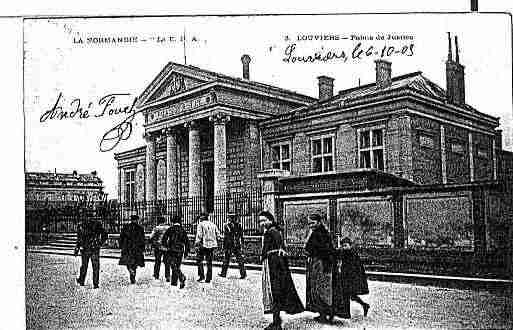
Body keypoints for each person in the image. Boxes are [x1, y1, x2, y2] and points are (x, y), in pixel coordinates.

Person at [259, 210, 304, 330]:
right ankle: (276, 319)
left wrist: (276, 252)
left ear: (271, 220)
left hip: (273, 264)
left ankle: (276, 323)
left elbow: (280, 247)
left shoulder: (272, 231)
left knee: (275, 291)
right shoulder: (271, 231)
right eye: (260, 221)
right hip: (272, 263)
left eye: (264, 220)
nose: (262, 223)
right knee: (274, 291)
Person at [304, 213, 349, 323]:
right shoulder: (318, 232)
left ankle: (324, 314)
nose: (311, 225)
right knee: (320, 289)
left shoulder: (320, 234)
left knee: (322, 290)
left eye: (313, 223)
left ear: (319, 222)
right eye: (309, 223)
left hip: (322, 264)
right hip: (319, 263)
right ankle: (324, 313)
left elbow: (320, 249)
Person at [74, 211, 108, 289]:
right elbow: (105, 235)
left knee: (85, 265)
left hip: (87, 248)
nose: (88, 218)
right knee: (94, 266)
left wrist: (77, 248)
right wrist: (99, 243)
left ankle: (82, 280)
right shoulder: (95, 224)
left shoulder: (82, 225)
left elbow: (79, 238)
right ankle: (94, 283)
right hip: (93, 248)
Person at [338, 237, 370, 317]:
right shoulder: (345, 253)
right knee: (350, 295)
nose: (344, 247)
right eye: (343, 246)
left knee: (347, 294)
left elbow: (355, 268)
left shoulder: (352, 254)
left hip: (352, 278)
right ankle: (364, 305)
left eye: (346, 245)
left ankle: (347, 313)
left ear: (350, 245)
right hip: (346, 277)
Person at [161, 215, 190, 288]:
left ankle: (180, 277)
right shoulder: (182, 230)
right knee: (177, 265)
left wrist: (166, 246)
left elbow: (164, 239)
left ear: (173, 221)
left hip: (172, 250)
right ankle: (175, 281)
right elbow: (187, 242)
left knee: (172, 265)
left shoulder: (170, 229)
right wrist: (186, 252)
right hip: (180, 250)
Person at [119, 214, 146, 284]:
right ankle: (132, 277)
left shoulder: (126, 227)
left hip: (127, 247)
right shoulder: (140, 228)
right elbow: (142, 239)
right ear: (137, 220)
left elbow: (121, 237)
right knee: (135, 263)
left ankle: (130, 271)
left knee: (128, 262)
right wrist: (143, 248)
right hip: (136, 248)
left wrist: (121, 246)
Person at [219, 213, 247, 279]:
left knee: (226, 259)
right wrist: (242, 244)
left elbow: (226, 237)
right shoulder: (238, 225)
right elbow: (241, 236)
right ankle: (243, 274)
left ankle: (223, 273)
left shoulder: (227, 225)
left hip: (229, 245)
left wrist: (224, 246)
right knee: (239, 259)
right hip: (236, 244)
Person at [194, 213, 220, 283]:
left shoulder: (201, 224)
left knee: (199, 260)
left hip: (203, 244)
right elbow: (218, 235)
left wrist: (196, 244)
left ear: (202, 218)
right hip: (212, 245)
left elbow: (199, 235)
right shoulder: (213, 224)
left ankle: (202, 276)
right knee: (209, 262)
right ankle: (208, 278)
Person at [149, 216, 170, 280]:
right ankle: (167, 276)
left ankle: (156, 275)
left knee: (157, 261)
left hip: (158, 247)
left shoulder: (156, 228)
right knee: (167, 262)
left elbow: (151, 237)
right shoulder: (168, 228)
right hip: (166, 247)